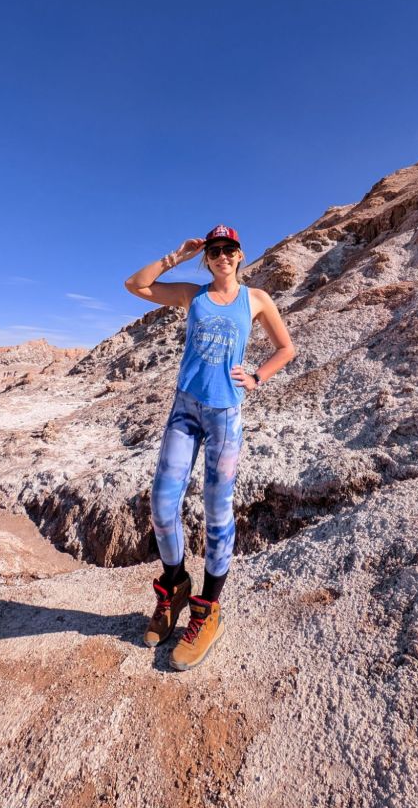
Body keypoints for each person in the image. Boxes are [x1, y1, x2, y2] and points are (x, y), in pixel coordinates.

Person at [124, 224, 296, 670]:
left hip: (225, 417)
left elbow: (286, 348)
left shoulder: (256, 299)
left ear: (240, 256)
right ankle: (175, 586)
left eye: (229, 249)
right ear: (208, 258)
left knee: (217, 512)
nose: (222, 255)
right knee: (163, 504)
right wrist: (175, 256)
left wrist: (257, 377)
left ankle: (208, 609)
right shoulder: (191, 294)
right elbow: (135, 285)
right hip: (185, 410)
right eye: (215, 250)